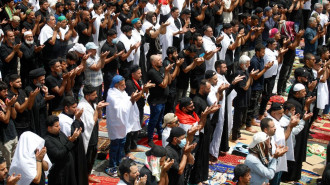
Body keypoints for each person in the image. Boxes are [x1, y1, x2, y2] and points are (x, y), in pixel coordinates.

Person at [105, 75, 152, 176]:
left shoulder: (120, 92)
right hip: (115, 124)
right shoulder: (112, 95)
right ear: (116, 85)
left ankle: (120, 162)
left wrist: (141, 91)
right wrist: (131, 100)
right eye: (122, 85)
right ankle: (112, 166)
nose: (125, 87)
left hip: (122, 124)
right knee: (115, 146)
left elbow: (128, 100)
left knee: (122, 144)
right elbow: (120, 109)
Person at [77, 85, 108, 182]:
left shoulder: (92, 103)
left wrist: (99, 108)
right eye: (94, 95)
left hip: (94, 133)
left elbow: (99, 117)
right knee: (87, 158)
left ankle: (88, 174)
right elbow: (91, 123)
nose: (96, 96)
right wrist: (96, 109)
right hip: (87, 136)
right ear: (87, 96)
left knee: (93, 156)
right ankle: (84, 177)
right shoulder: (82, 106)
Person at [58, 96, 88, 185]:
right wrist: (77, 120)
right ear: (66, 108)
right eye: (74, 107)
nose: (76, 109)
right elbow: (72, 134)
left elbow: (82, 128)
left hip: (78, 149)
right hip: (72, 151)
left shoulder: (73, 116)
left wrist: (78, 119)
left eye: (76, 106)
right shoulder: (63, 120)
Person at [44, 115, 81, 185]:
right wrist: (71, 141)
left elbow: (69, 145)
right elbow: (58, 154)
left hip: (69, 170)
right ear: (49, 128)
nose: (59, 127)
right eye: (56, 126)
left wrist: (75, 138)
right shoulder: (47, 140)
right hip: (60, 174)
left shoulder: (60, 133)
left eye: (59, 125)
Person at [232, 55, 259, 142]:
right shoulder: (239, 73)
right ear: (242, 64)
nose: (249, 65)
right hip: (240, 100)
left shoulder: (246, 72)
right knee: (237, 120)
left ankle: (238, 134)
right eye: (247, 63)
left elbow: (250, 84)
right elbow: (245, 87)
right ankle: (234, 137)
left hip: (246, 99)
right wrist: (250, 76)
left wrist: (251, 76)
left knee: (243, 119)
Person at [147, 54, 172, 146]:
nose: (161, 61)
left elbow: (169, 81)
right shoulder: (152, 72)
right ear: (153, 63)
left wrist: (168, 72)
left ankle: (160, 134)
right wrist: (166, 73)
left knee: (160, 119)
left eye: (161, 59)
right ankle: (150, 138)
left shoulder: (162, 69)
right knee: (153, 120)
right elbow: (163, 85)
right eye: (159, 60)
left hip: (163, 99)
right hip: (156, 101)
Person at [25, 68, 54, 137]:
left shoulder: (41, 88)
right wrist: (44, 99)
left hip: (44, 118)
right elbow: (35, 107)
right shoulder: (29, 90)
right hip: (36, 122)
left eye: (44, 80)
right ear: (35, 81)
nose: (43, 82)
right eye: (41, 80)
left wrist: (46, 94)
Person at [0, 80, 17, 168]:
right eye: (4, 91)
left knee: (15, 162)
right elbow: (5, 120)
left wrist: (12, 105)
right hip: (4, 139)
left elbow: (14, 116)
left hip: (13, 134)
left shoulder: (7, 100)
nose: (6, 93)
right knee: (7, 165)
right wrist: (9, 106)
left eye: (7, 90)